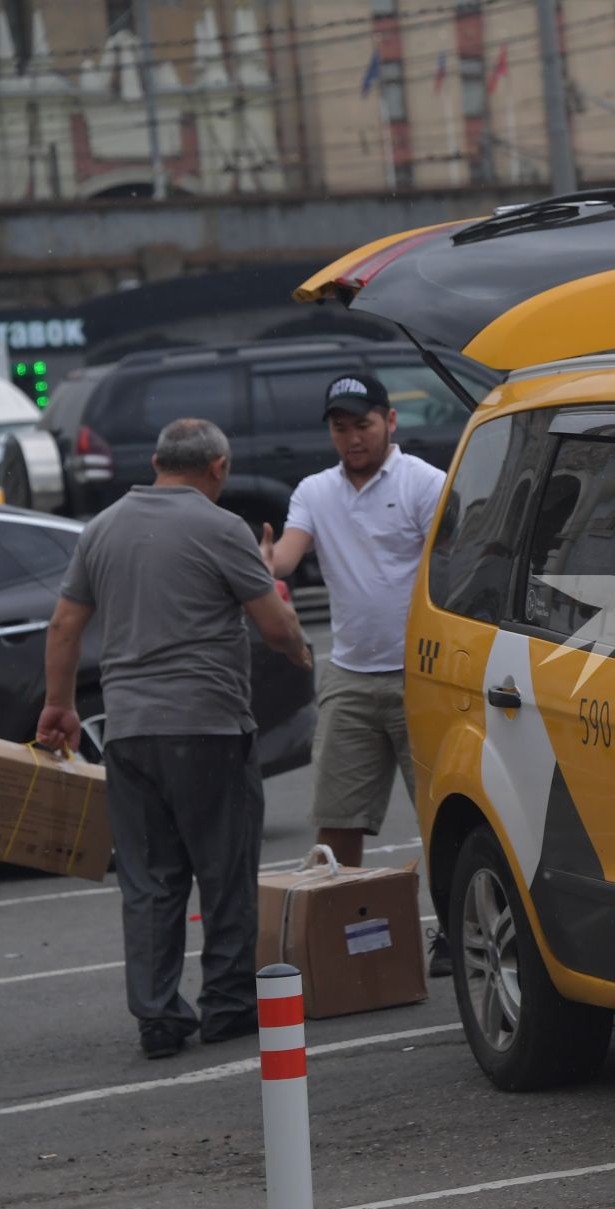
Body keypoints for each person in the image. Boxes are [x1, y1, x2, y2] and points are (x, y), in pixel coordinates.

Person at [39, 418, 312, 1060]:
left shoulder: (100, 528)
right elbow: (273, 625)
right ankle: (228, 1006)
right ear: (218, 468)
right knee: (224, 874)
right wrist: (299, 648)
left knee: (150, 881)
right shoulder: (222, 528)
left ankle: (158, 1018)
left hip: (130, 733)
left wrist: (58, 706)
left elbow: (62, 624)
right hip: (208, 725)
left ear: (158, 460)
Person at [258, 372, 452, 976]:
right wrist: (264, 562)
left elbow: (450, 562)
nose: (352, 438)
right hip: (349, 673)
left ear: (390, 422)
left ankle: (452, 926)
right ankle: (340, 931)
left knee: (442, 813)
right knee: (337, 813)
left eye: (363, 425)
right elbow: (287, 554)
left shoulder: (424, 483)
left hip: (423, 673)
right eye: (340, 428)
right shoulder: (316, 491)